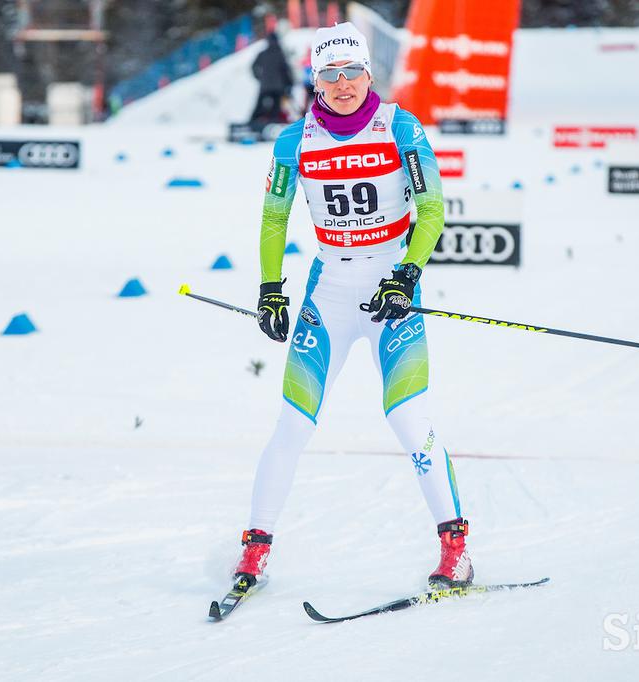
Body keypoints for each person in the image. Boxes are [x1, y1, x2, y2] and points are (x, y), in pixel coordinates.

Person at [234, 23, 473, 591]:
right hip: (330, 293)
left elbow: (432, 210)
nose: (342, 84)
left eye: (352, 72)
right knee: (292, 423)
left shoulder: (401, 128)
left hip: (392, 293)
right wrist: (272, 288)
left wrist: (407, 275)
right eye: (329, 74)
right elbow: (274, 218)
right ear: (315, 80)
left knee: (407, 418)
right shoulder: (295, 141)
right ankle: (254, 551)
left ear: (370, 73)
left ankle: (456, 549)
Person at [249, 32, 294, 125]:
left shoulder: (263, 53)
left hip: (265, 86)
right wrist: (289, 83)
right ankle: (272, 123)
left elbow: (253, 66)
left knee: (259, 106)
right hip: (278, 87)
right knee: (275, 108)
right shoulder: (280, 53)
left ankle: (253, 122)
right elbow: (285, 71)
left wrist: (259, 77)